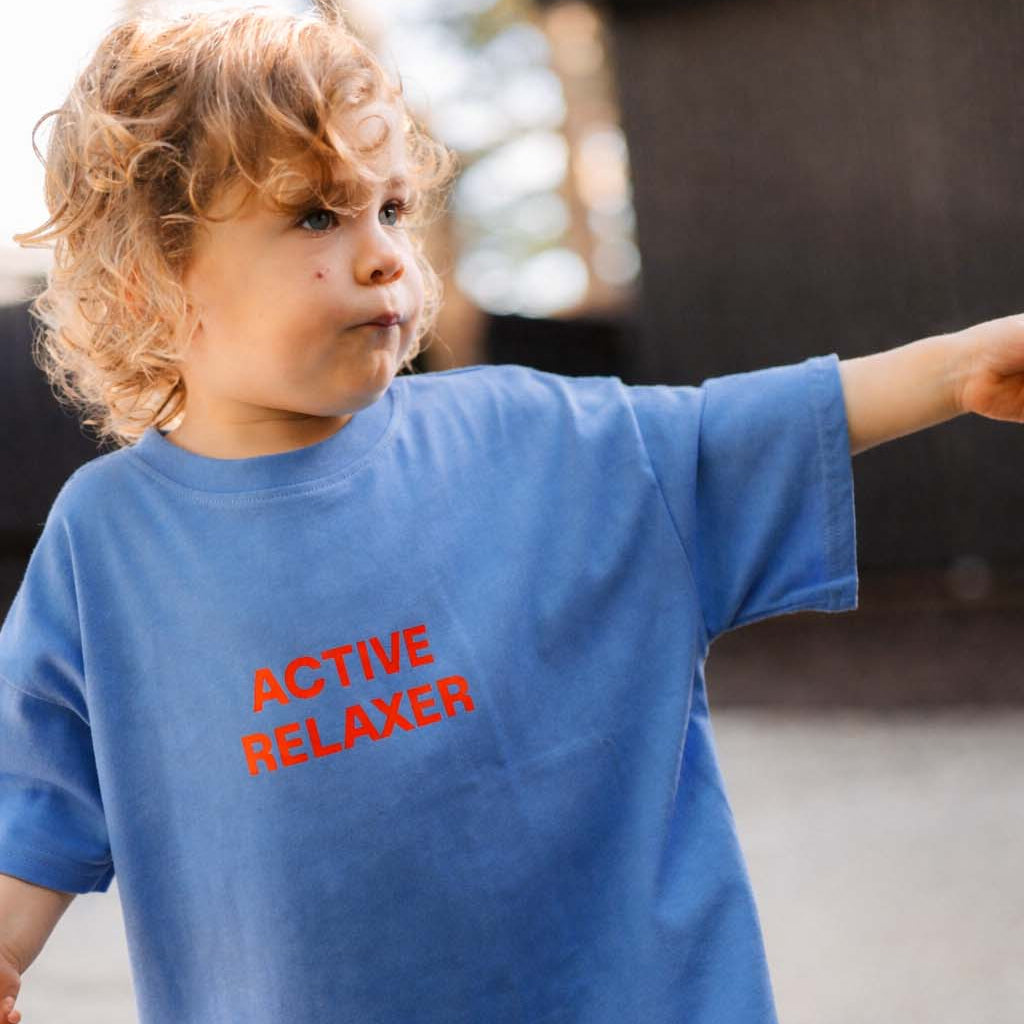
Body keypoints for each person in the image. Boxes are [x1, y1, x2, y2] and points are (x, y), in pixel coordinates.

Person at [2, 5, 1023, 1023]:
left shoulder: (540, 439)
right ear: (153, 277)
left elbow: (741, 433)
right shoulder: (107, 546)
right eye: (317, 214)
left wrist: (963, 367)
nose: (384, 256)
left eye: (392, 209)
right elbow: (31, 801)